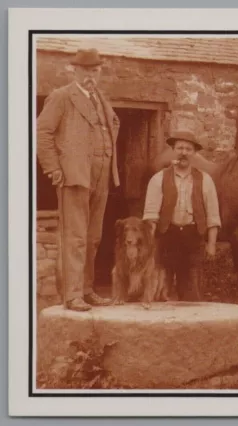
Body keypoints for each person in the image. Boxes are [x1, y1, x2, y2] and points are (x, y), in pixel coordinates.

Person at [37, 48, 120, 311]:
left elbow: (113, 125)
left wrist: (105, 155)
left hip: (102, 174)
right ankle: (72, 295)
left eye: (95, 71)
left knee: (93, 236)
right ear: (74, 71)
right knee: (75, 237)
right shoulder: (62, 97)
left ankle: (86, 289)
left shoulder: (100, 99)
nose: (90, 76)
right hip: (74, 176)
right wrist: (54, 168)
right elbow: (42, 133)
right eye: (85, 70)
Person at [142, 130, 221, 301]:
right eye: (179, 148)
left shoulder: (205, 180)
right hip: (167, 237)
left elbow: (213, 216)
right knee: (162, 291)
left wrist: (212, 245)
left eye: (188, 149)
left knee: (192, 293)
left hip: (193, 239)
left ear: (194, 154)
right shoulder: (158, 178)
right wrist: (150, 244)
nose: (183, 152)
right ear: (173, 151)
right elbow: (150, 216)